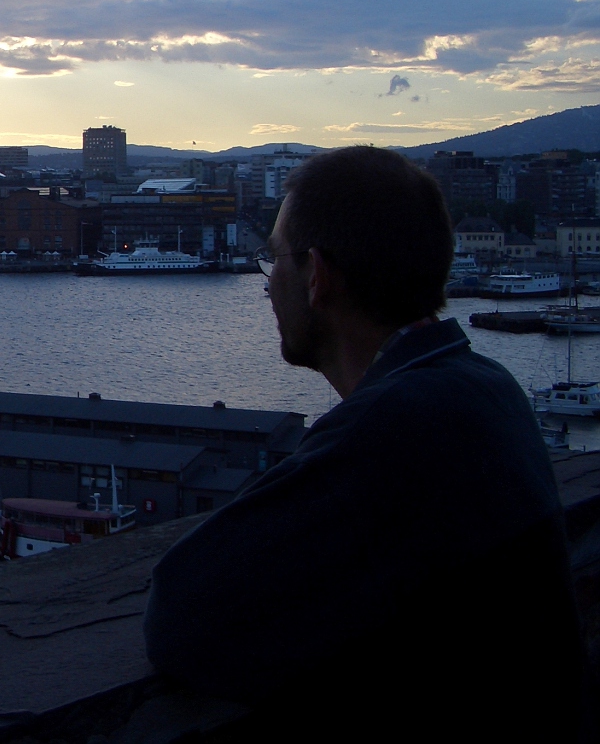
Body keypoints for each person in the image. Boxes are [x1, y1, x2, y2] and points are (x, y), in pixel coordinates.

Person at [142, 146, 588, 741]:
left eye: (273, 260)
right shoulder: (486, 387)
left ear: (317, 276)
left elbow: (180, 611)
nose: (268, 285)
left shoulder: (397, 428)